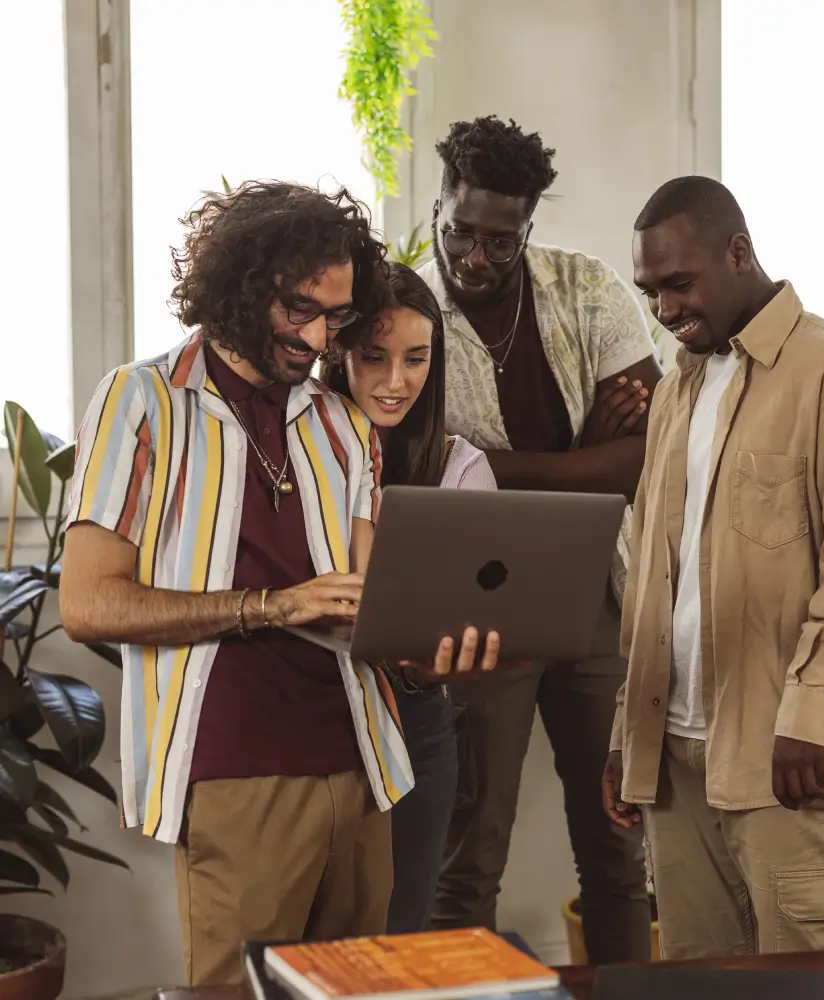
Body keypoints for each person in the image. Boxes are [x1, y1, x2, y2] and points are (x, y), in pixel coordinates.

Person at [58, 181, 499, 987]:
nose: (320, 335)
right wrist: (272, 606)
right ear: (243, 287)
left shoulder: (342, 423)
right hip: (238, 772)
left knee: (359, 991)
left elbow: (374, 606)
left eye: (336, 315)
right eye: (302, 310)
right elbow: (88, 605)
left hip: (368, 765)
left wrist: (436, 654)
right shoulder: (141, 402)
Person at [603, 175, 824, 958]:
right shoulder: (678, 388)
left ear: (739, 252)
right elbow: (653, 578)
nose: (665, 310)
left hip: (794, 766)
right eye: (651, 292)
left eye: (680, 284)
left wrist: (812, 710)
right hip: (676, 768)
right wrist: (627, 732)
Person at [417, 115, 662, 964]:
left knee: (617, 841)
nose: (475, 258)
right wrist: (579, 453)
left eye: (501, 241)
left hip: (596, 592)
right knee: (469, 852)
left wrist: (493, 464)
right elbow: (414, 476)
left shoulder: (586, 288)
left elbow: (643, 461)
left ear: (530, 227)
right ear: (437, 206)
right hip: (478, 605)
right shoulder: (405, 319)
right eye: (460, 232)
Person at [323, 261, 497, 934]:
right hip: (312, 708)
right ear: (339, 356)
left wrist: (441, 661)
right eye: (374, 357)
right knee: (313, 939)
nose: (396, 382)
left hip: (416, 716)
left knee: (401, 931)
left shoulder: (459, 468)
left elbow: (472, 610)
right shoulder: (300, 451)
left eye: (417, 359)